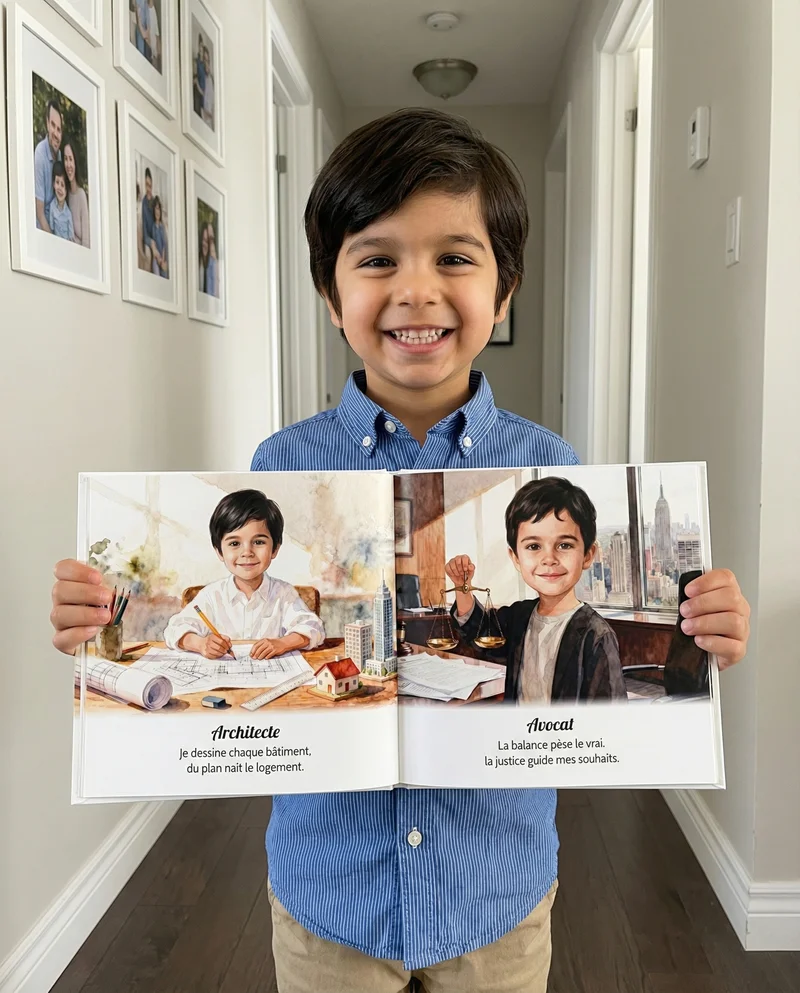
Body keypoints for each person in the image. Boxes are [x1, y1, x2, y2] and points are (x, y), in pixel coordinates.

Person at [51, 108, 752, 993]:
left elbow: (574, 685)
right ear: (330, 291)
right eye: (378, 258)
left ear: (504, 292)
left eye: (455, 257)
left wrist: (704, 630)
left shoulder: (553, 464)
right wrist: (101, 618)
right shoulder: (281, 466)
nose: (416, 290)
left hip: (494, 895)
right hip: (327, 897)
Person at [447, 476, 626, 703]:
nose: (548, 559)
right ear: (516, 558)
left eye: (564, 545)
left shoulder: (596, 636)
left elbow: (609, 717)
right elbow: (480, 633)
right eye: (534, 546)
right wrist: (461, 586)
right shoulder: (519, 616)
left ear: (588, 555)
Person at [163, 489, 325, 660]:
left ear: (275, 548)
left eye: (258, 542)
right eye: (234, 543)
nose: (247, 552)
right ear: (219, 551)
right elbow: (174, 630)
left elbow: (313, 628)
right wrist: (201, 644)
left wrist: (282, 643)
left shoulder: (283, 594)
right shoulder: (212, 596)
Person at [34, 98, 62, 233]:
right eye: (53, 125)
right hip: (43, 231)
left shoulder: (61, 155)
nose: (56, 133)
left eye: (59, 129)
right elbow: (39, 213)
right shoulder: (40, 154)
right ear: (47, 123)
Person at [62, 137, 90, 249]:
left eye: (70, 159)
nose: (68, 164)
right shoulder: (64, 194)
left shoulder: (81, 195)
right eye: (65, 159)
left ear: (75, 162)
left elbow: (86, 242)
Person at [48, 160, 74, 242]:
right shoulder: (52, 207)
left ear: (66, 191)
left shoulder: (68, 214)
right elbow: (51, 229)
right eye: (57, 182)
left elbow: (71, 238)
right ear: (53, 184)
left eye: (62, 185)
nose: (59, 187)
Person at [140, 167, 155, 271]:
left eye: (150, 185)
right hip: (148, 241)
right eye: (146, 185)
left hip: (156, 238)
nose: (148, 188)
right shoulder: (143, 204)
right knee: (149, 254)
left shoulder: (155, 203)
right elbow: (145, 232)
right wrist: (151, 243)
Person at [150, 196, 168, 278]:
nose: (157, 212)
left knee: (164, 272)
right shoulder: (153, 227)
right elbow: (154, 244)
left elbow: (164, 245)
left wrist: (162, 259)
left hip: (163, 259)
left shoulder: (162, 227)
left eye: (158, 209)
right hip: (157, 258)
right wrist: (158, 259)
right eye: (156, 209)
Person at [202, 47, 215, 129]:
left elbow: (213, 102)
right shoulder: (202, 79)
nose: (207, 64)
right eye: (204, 61)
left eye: (208, 61)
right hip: (203, 116)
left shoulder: (211, 79)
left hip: (210, 119)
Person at [193, 34, 206, 117]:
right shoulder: (196, 61)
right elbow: (195, 79)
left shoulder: (204, 64)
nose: (201, 48)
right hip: (197, 92)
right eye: (199, 46)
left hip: (202, 93)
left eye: (202, 46)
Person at [147, 0, 160, 70]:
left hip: (154, 48)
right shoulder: (145, 9)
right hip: (149, 45)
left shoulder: (153, 10)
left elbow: (157, 32)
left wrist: (158, 50)